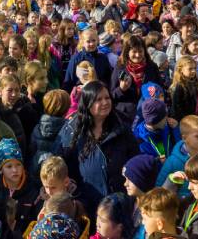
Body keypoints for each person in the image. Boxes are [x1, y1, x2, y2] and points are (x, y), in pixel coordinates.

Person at [56, 80, 139, 215]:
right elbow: (60, 164)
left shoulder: (121, 127)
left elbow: (135, 160)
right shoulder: (72, 130)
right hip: (87, 205)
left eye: (107, 98)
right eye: (98, 99)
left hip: (119, 204)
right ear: (88, 103)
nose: (105, 102)